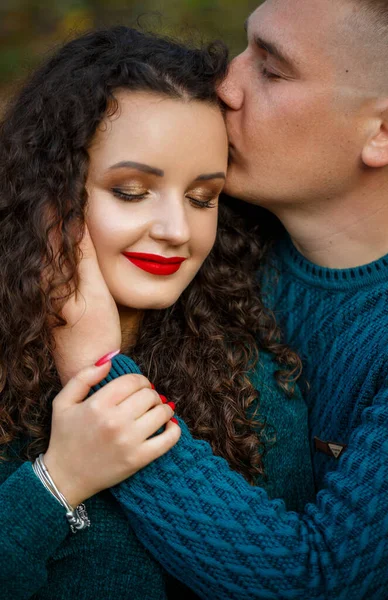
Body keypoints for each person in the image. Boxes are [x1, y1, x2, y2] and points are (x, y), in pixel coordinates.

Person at [66, 1, 388, 598]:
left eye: (271, 71)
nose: (224, 83)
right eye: (246, 49)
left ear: (387, 130)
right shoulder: (192, 243)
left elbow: (323, 586)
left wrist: (103, 375)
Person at [0, 26, 315, 600]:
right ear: (50, 195)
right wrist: (56, 484)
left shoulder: (254, 388)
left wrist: (99, 368)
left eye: (202, 198)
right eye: (131, 189)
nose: (176, 231)